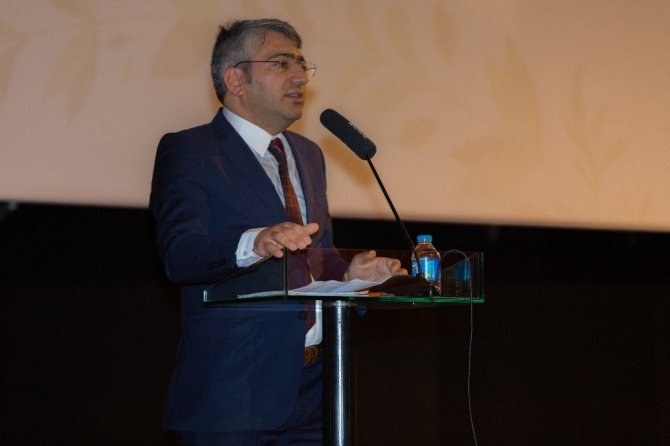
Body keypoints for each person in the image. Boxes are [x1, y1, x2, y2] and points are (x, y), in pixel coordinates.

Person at [150, 18, 406, 445]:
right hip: (234, 396)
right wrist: (255, 241)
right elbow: (180, 254)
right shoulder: (192, 151)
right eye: (281, 63)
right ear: (236, 79)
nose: (300, 77)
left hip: (316, 392)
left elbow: (314, 256)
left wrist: (350, 274)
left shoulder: (308, 154)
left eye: (302, 65)